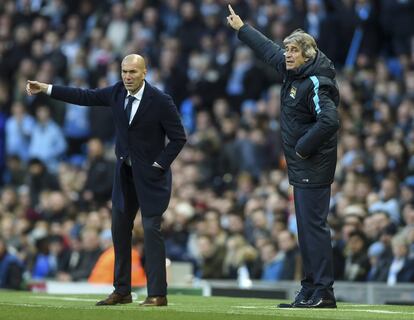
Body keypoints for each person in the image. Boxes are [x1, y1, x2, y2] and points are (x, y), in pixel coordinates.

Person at [26, 54, 187, 307]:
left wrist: (159, 164)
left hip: (152, 178)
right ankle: (122, 291)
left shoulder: (160, 101)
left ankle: (158, 294)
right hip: (124, 174)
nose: (127, 76)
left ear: (145, 72)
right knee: (119, 230)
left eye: (133, 72)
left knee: (151, 231)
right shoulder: (116, 93)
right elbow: (84, 96)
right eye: (124, 71)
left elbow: (179, 138)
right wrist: (46, 88)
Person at [227, 5, 339, 308]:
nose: (286, 54)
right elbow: (267, 50)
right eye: (287, 49)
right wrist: (242, 28)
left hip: (312, 165)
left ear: (307, 54)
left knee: (313, 228)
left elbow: (330, 121)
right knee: (304, 229)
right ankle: (309, 287)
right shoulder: (295, 72)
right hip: (302, 166)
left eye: (293, 50)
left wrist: (302, 147)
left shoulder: (316, 81)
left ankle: (323, 291)